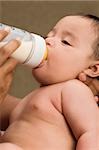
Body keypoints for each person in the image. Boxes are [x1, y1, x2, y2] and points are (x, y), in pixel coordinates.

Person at [0, 14, 99, 150]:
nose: (48, 41)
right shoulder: (30, 98)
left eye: (65, 42)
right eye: (49, 35)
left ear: (92, 68)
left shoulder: (73, 89)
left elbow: (92, 133)